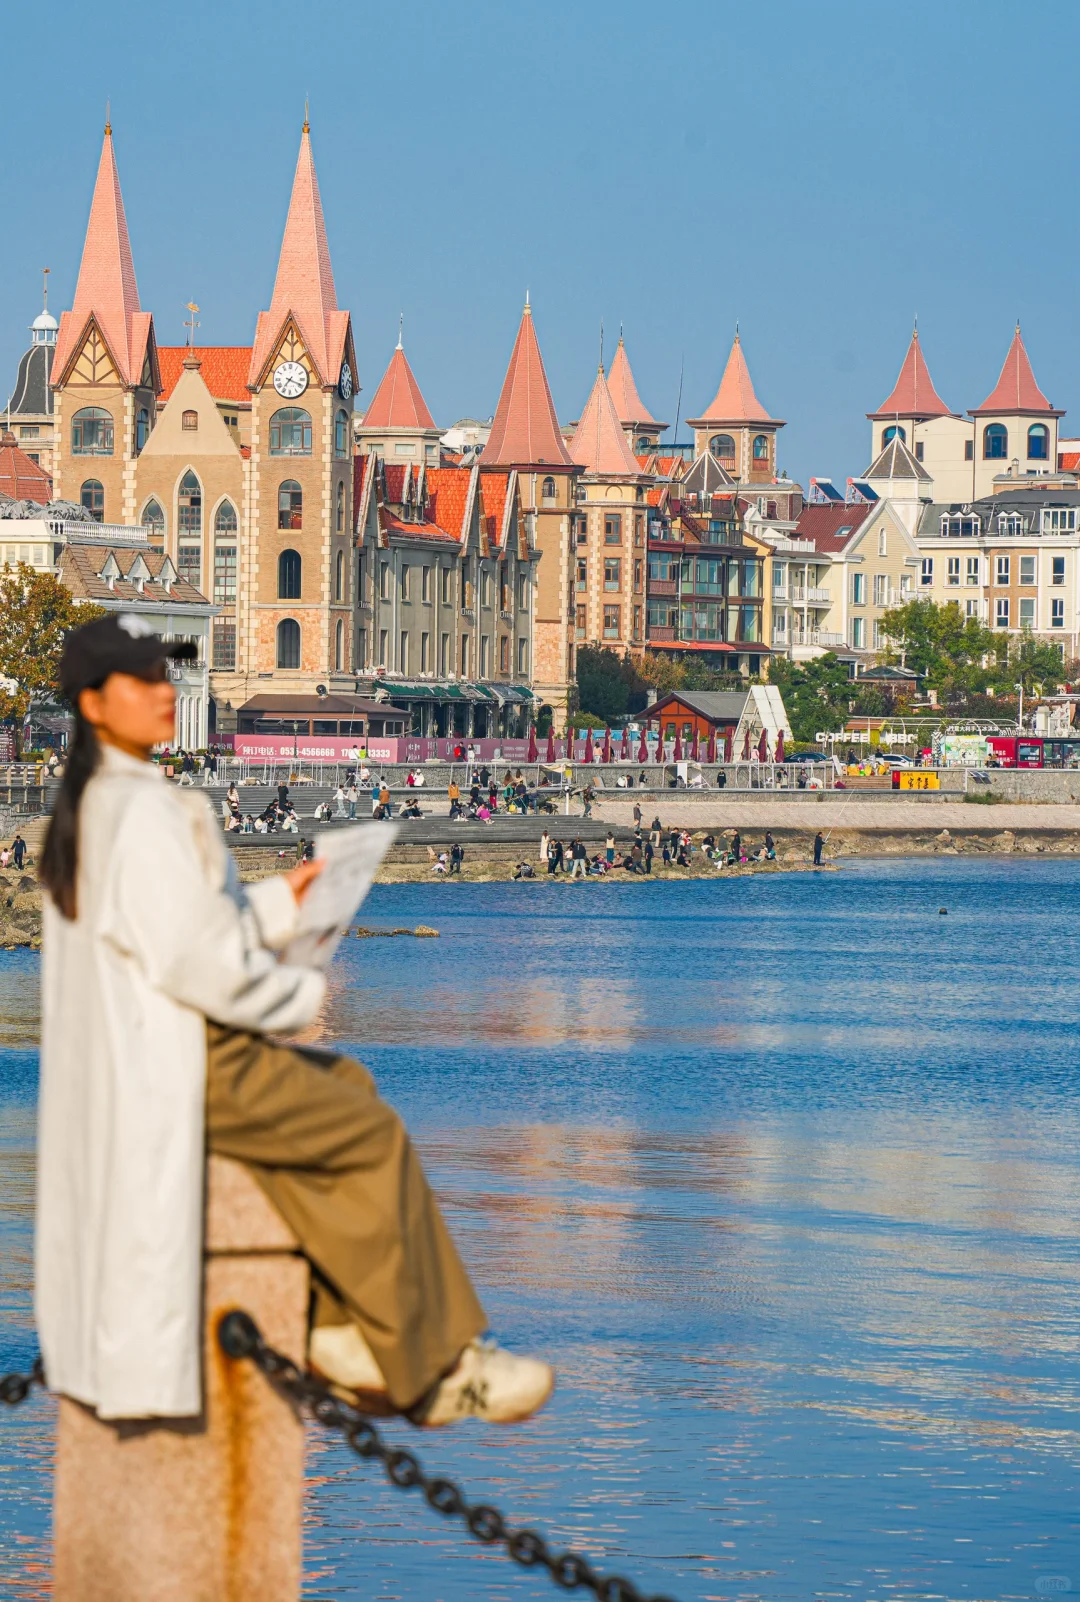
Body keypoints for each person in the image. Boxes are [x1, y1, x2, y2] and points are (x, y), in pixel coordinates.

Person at [36, 613, 551, 1430]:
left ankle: (353, 1328)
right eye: (144, 682)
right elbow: (199, 966)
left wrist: (287, 899)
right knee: (362, 1125)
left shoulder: (106, 807)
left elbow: (186, 931)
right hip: (187, 1065)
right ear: (97, 705)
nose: (166, 695)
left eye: (166, 678)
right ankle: (433, 1363)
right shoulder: (147, 816)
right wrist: (302, 995)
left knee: (341, 1091)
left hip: (150, 1060)